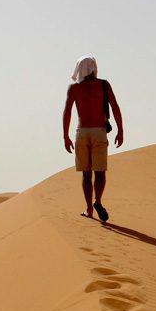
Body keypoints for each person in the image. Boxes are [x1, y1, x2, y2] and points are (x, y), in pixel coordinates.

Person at [62, 56, 124, 221]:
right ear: (94, 68)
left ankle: (89, 209)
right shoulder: (103, 85)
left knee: (86, 174)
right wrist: (120, 130)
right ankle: (98, 201)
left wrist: (65, 136)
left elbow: (67, 112)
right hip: (99, 131)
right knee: (100, 172)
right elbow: (115, 106)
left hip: (82, 132)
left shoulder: (74, 89)